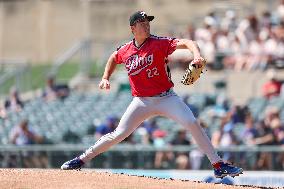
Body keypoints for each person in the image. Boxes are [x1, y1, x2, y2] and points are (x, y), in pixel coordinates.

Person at [61, 11, 243, 178]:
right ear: (133, 28)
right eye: (142, 22)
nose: (147, 25)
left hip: (166, 98)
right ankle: (81, 159)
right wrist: (105, 77)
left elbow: (188, 42)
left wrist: (196, 55)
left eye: (148, 22)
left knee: (191, 123)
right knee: (118, 134)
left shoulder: (159, 43)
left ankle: (218, 165)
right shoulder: (125, 50)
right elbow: (113, 57)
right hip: (141, 101)